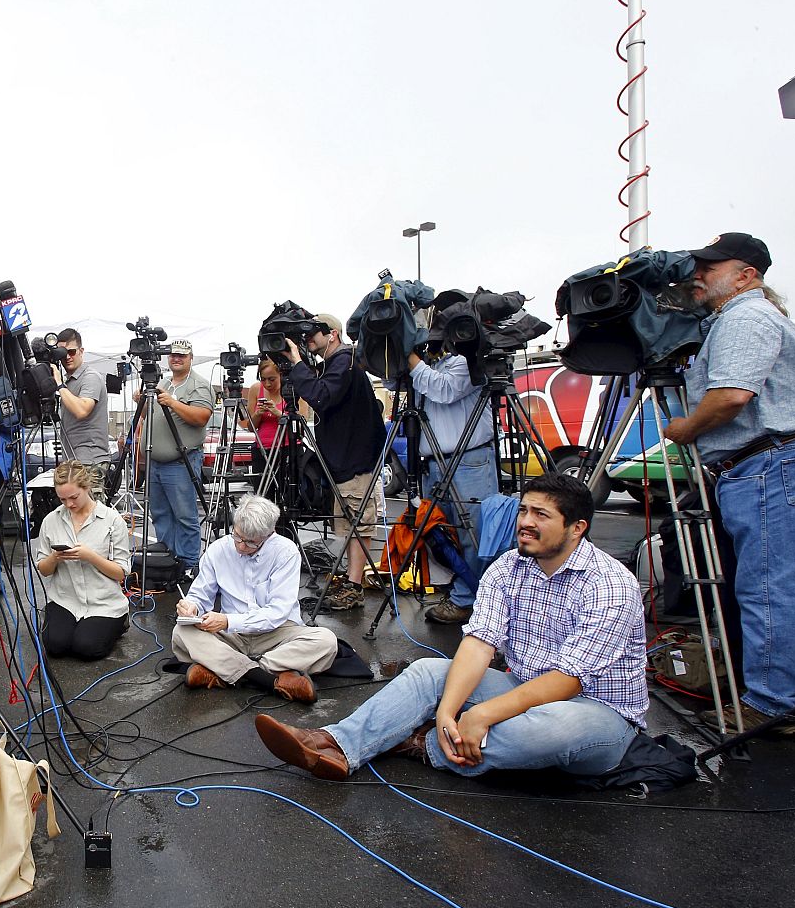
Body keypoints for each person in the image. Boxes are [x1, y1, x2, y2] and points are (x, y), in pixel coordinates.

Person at [254, 473, 645, 779]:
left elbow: (567, 682)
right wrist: (450, 711)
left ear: (576, 528)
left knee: (552, 728)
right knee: (427, 672)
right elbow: (478, 645)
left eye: (540, 515)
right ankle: (336, 744)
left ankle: (424, 746)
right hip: (524, 687)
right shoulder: (509, 568)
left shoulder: (609, 584)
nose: (524, 522)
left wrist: (482, 714)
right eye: (524, 511)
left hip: (596, 713)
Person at [663, 232, 795, 736]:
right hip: (779, 459)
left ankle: (771, 704)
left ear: (748, 275)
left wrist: (684, 429)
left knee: (767, 585)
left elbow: (731, 397)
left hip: (768, 460)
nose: (698, 274)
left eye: (711, 267)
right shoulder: (745, 318)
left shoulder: (745, 316)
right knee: (789, 580)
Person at [173, 494, 339, 703]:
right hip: (232, 634)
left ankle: (224, 671)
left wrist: (227, 621)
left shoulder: (286, 552)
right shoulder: (219, 549)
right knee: (181, 632)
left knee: (326, 641)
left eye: (251, 543)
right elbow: (200, 595)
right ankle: (271, 676)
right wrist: (191, 607)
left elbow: (277, 612)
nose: (241, 546)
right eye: (238, 536)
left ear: (270, 534)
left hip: (277, 631)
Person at [394, 334, 500, 625]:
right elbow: (393, 382)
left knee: (474, 536)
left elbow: (445, 390)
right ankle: (463, 592)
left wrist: (411, 359)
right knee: (439, 532)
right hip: (434, 463)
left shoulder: (465, 361)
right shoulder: (426, 367)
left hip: (468, 459)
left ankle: (473, 601)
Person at [285, 313, 387, 611]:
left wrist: (297, 364)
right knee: (350, 522)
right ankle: (352, 579)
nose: (308, 338)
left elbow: (319, 396)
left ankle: (355, 586)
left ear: (333, 334)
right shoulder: (336, 363)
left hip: (355, 458)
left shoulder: (344, 361)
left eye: (315, 332)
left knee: (358, 522)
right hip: (346, 456)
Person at [32, 460, 132, 660]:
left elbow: (121, 572)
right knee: (55, 646)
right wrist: (55, 557)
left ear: (87, 488)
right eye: (62, 499)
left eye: (74, 497)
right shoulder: (51, 520)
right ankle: (74, 626)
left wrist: (91, 557)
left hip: (103, 602)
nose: (69, 504)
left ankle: (119, 622)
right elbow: (44, 570)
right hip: (65, 600)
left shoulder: (112, 520)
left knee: (87, 649)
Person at [134, 339, 212, 575]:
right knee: (160, 513)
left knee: (185, 516)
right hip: (156, 462)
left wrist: (173, 402)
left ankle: (188, 565)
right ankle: (168, 559)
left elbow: (201, 417)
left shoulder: (199, 385)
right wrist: (142, 402)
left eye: (182, 355)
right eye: (173, 355)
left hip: (180, 462)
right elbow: (149, 416)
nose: (176, 358)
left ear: (191, 357)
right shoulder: (163, 381)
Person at [54, 328, 112, 499]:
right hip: (73, 460)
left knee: (92, 518)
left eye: (71, 352)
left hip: (90, 460)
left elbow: (81, 410)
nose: (67, 357)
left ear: (81, 351)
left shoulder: (90, 377)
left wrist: (58, 384)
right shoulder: (68, 382)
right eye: (62, 353)